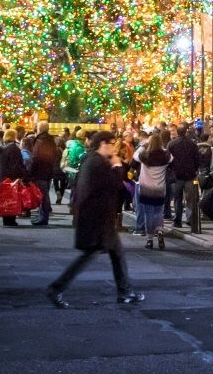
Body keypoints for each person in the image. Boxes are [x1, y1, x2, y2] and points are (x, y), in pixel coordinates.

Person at [46, 131, 144, 307]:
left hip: (97, 220)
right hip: (96, 221)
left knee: (116, 254)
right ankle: (56, 288)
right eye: (112, 144)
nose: (114, 148)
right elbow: (113, 185)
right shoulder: (99, 163)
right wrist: (116, 166)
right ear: (103, 144)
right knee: (89, 256)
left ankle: (125, 291)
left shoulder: (91, 161)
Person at [133, 133, 172, 249]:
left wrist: (144, 145)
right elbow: (171, 158)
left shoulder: (145, 155)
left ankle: (149, 239)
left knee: (148, 214)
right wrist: (162, 147)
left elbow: (135, 156)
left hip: (146, 189)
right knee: (159, 213)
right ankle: (160, 231)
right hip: (160, 188)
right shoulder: (166, 156)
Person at [166, 123, 200, 229]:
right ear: (186, 132)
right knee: (190, 199)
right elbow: (197, 159)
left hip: (176, 176)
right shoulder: (192, 144)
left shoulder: (171, 144)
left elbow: (168, 159)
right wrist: (195, 169)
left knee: (177, 199)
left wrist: (171, 170)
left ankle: (178, 220)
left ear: (178, 132)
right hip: (190, 175)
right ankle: (190, 219)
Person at [0, 128, 28, 226]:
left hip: (2, 177)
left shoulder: (0, 148)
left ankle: (6, 219)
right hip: (11, 178)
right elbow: (16, 165)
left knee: (5, 198)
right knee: (12, 198)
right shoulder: (14, 149)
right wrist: (21, 175)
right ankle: (11, 219)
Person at [28, 123, 59, 226]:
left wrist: (30, 172)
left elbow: (35, 158)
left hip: (40, 172)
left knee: (43, 196)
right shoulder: (51, 141)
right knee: (44, 195)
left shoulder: (40, 141)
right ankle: (42, 216)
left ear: (39, 129)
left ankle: (43, 218)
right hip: (48, 171)